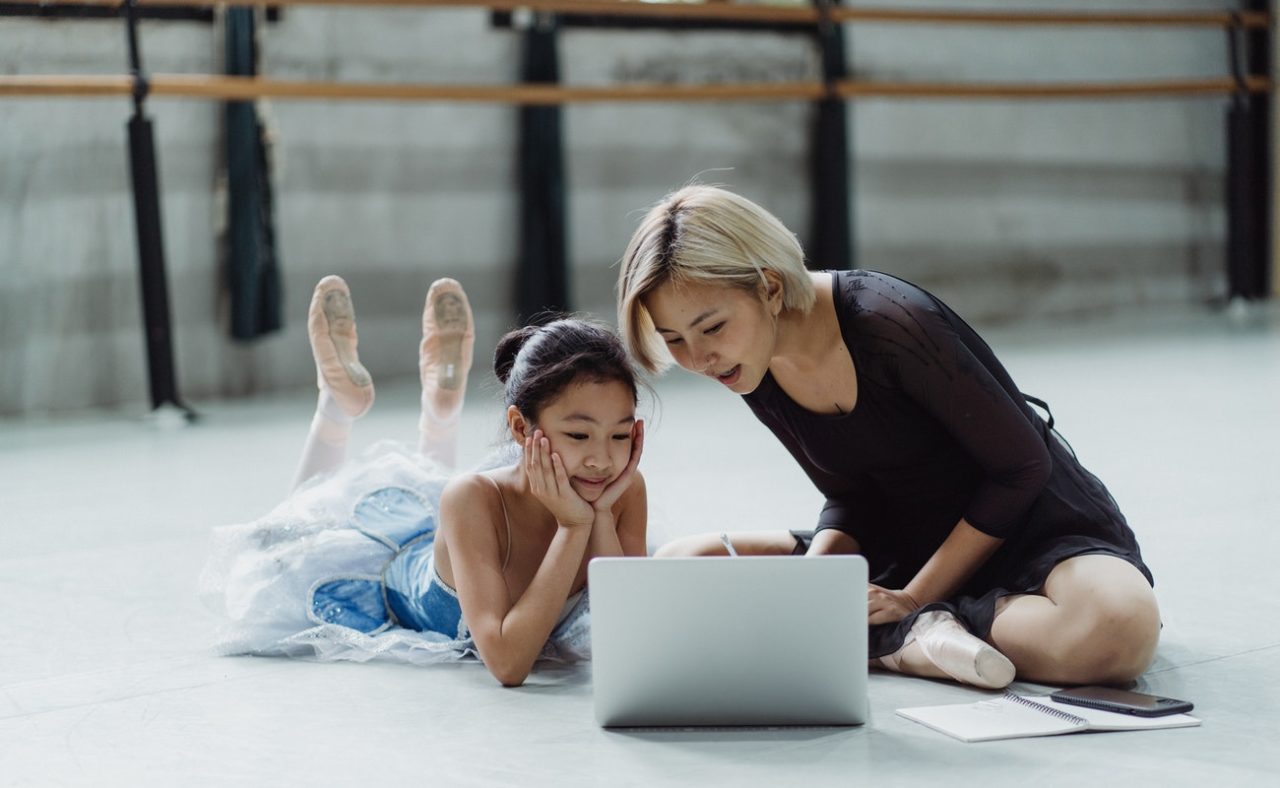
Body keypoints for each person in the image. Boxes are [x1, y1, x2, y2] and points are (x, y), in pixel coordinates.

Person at [616, 185, 1159, 690]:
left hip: (1030, 529)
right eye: (673, 340)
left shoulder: (890, 322)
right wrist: (817, 578)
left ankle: (905, 638)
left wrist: (914, 597)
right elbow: (854, 497)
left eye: (711, 328)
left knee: (1118, 630)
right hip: (909, 542)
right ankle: (907, 633)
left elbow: (1020, 470)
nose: (699, 358)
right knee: (683, 560)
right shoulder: (747, 364)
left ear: (771, 287)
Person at [201, 276, 647, 687]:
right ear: (520, 428)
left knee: (434, 487)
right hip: (392, 579)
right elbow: (509, 665)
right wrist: (573, 528)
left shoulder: (621, 493)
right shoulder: (473, 498)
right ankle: (337, 409)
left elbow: (630, 637)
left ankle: (439, 406)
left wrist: (601, 517)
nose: (603, 460)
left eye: (621, 435)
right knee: (280, 541)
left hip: (462, 537)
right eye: (578, 435)